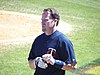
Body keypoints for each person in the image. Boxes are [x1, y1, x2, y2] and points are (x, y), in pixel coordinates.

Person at [28, 8, 77, 75]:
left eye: (46, 20)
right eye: (42, 20)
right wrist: (36, 62)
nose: (42, 22)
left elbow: (73, 66)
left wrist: (54, 62)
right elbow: (30, 62)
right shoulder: (38, 40)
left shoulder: (63, 41)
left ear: (55, 21)